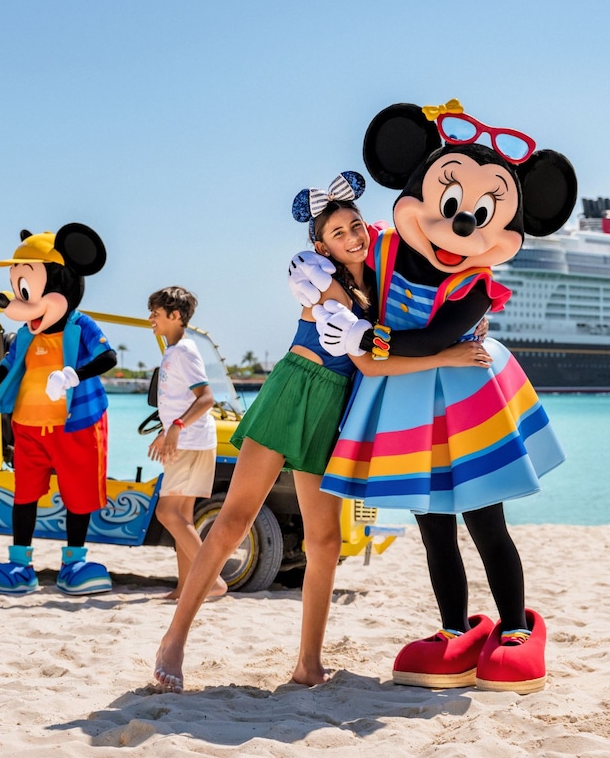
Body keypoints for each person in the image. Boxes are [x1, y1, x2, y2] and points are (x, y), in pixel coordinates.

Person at [153, 172, 492, 690]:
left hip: (334, 407)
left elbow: (407, 315)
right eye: (339, 233)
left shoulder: (376, 284)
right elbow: (375, 363)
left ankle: (308, 663)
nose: (354, 237)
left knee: (327, 540)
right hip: (295, 390)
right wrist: (446, 355)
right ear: (321, 246)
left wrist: (465, 327)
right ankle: (173, 642)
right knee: (234, 521)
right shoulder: (326, 286)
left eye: (356, 226)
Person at [145, 286, 227, 601]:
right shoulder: (175, 351)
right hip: (188, 440)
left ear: (175, 316)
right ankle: (185, 587)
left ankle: (214, 580)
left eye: (156, 313)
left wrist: (177, 428)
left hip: (190, 442)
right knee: (183, 517)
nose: (151, 318)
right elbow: (178, 402)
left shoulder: (184, 351)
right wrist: (166, 430)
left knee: (167, 513)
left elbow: (206, 398)